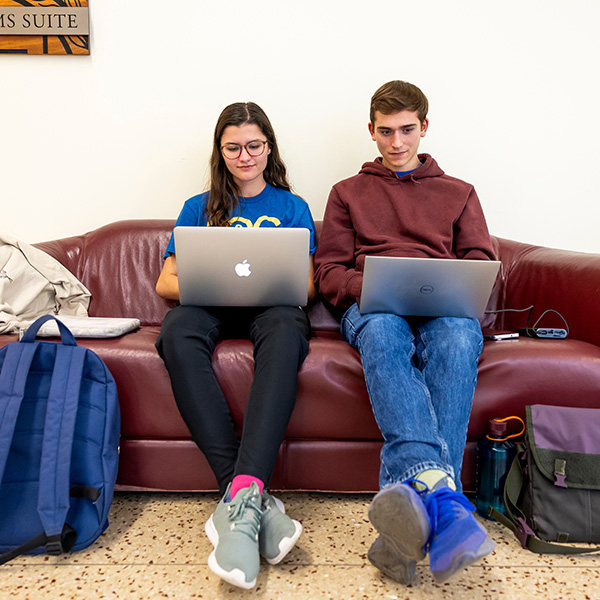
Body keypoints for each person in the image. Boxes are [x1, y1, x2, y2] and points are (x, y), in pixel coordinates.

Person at [314, 80, 497, 585]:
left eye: (407, 130)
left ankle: (411, 519)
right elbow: (328, 272)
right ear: (371, 131)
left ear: (425, 127)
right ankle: (444, 495)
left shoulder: (459, 192)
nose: (397, 143)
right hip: (373, 307)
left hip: (443, 308)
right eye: (386, 132)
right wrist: (372, 282)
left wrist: (446, 284)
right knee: (385, 333)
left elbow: (479, 262)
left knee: (460, 336)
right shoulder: (347, 193)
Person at [155, 102, 317, 590]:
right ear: (220, 151)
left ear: (268, 147)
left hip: (274, 308)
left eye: (254, 145)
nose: (244, 155)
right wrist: (215, 285)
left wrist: (266, 286)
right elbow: (166, 281)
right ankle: (244, 493)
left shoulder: (293, 208)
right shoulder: (197, 207)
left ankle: (237, 498)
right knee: (176, 333)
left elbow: (307, 288)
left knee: (289, 330)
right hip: (209, 306)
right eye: (233, 147)